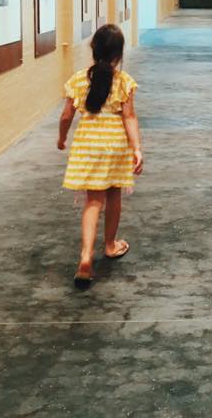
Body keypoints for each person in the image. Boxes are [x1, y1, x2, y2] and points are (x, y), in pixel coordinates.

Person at [57, 24, 143, 285]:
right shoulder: (124, 82)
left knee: (93, 201)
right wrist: (137, 148)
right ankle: (109, 244)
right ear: (119, 53)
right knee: (113, 194)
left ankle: (85, 257)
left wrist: (61, 138)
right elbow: (129, 117)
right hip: (115, 144)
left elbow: (66, 115)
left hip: (87, 145)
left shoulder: (78, 80)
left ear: (93, 49)